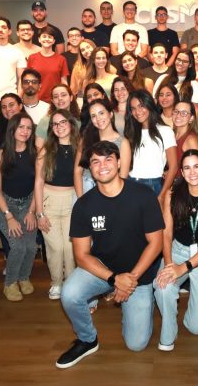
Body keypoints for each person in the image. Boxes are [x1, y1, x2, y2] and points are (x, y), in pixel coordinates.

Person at [56, 141, 164, 367]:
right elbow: (82, 256)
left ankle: (136, 304)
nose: (102, 166)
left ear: (119, 162)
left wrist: (129, 281)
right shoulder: (84, 205)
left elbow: (156, 243)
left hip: (139, 273)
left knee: (136, 344)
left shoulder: (143, 195)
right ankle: (87, 339)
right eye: (95, 161)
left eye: (108, 159)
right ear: (90, 168)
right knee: (69, 293)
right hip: (104, 269)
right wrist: (115, 279)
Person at [153, 149, 198, 351]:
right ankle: (169, 330)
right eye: (187, 168)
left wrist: (182, 268)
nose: (192, 172)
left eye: (196, 166)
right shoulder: (172, 195)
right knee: (162, 286)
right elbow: (166, 234)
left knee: (197, 327)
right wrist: (170, 265)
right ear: (182, 172)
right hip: (177, 250)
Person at [0, 113, 42, 302]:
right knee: (18, 246)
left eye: (29, 128)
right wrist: (9, 216)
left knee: (31, 246)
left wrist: (31, 212)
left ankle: (23, 277)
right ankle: (10, 283)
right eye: (21, 127)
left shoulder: (35, 153)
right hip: (4, 204)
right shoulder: (3, 153)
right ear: (12, 129)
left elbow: (38, 185)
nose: (25, 131)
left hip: (28, 202)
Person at [35, 109, 80, 300]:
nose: (59, 127)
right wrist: (39, 213)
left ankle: (70, 284)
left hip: (72, 201)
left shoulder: (80, 148)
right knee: (55, 247)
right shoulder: (46, 150)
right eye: (55, 124)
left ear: (71, 124)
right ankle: (56, 283)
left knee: (70, 248)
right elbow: (38, 182)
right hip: (49, 201)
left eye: (63, 122)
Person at [125, 90, 178, 203]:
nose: (137, 111)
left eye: (141, 106)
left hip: (153, 185)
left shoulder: (165, 131)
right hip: (130, 183)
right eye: (133, 108)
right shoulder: (131, 133)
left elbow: (173, 166)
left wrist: (162, 195)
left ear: (149, 104)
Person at [75, 98, 132, 196]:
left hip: (112, 191)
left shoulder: (123, 143)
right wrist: (81, 198)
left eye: (101, 113)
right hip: (85, 188)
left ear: (110, 114)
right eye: (93, 116)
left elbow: (123, 177)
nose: (98, 119)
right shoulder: (86, 139)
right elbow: (77, 171)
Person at [27, 26, 70, 100]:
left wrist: (67, 97)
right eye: (44, 36)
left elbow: (64, 81)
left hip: (56, 100)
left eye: (50, 37)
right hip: (36, 100)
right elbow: (28, 81)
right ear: (39, 39)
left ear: (53, 41)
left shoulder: (61, 59)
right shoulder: (32, 58)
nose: (47, 39)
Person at [170, 101, 198, 166]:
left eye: (184, 113)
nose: (178, 115)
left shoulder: (191, 139)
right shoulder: (171, 134)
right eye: (176, 111)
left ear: (191, 118)